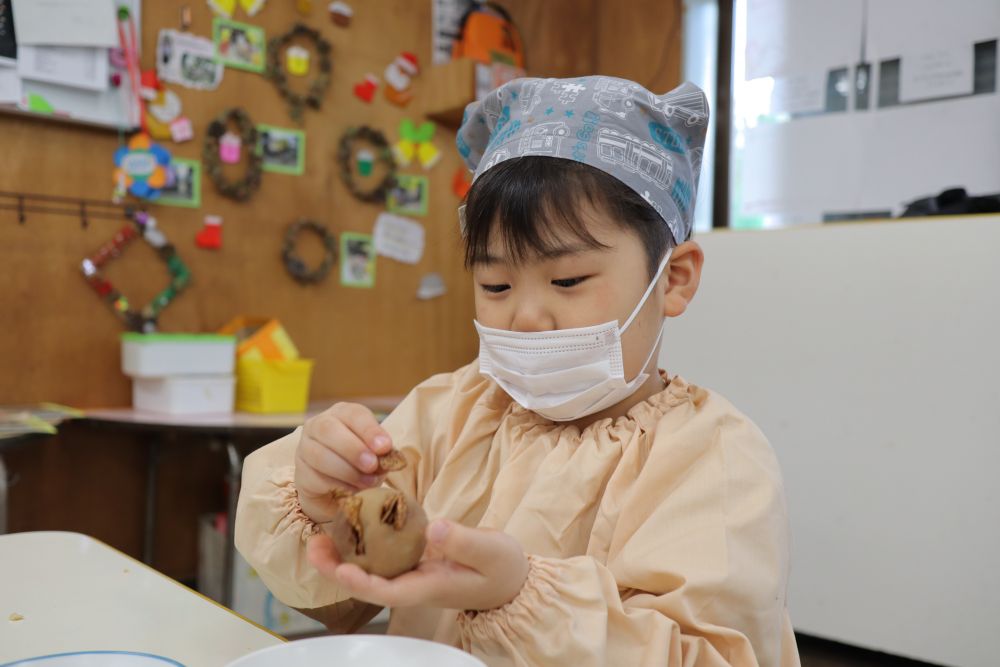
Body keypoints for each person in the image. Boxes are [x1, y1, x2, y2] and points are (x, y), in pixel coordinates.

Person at [236, 75, 800, 667]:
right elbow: (335, 600)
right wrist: (324, 501)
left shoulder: (712, 458)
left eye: (568, 281)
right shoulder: (447, 412)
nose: (527, 317)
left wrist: (520, 596)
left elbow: (709, 656)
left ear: (673, 278)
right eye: (496, 285)